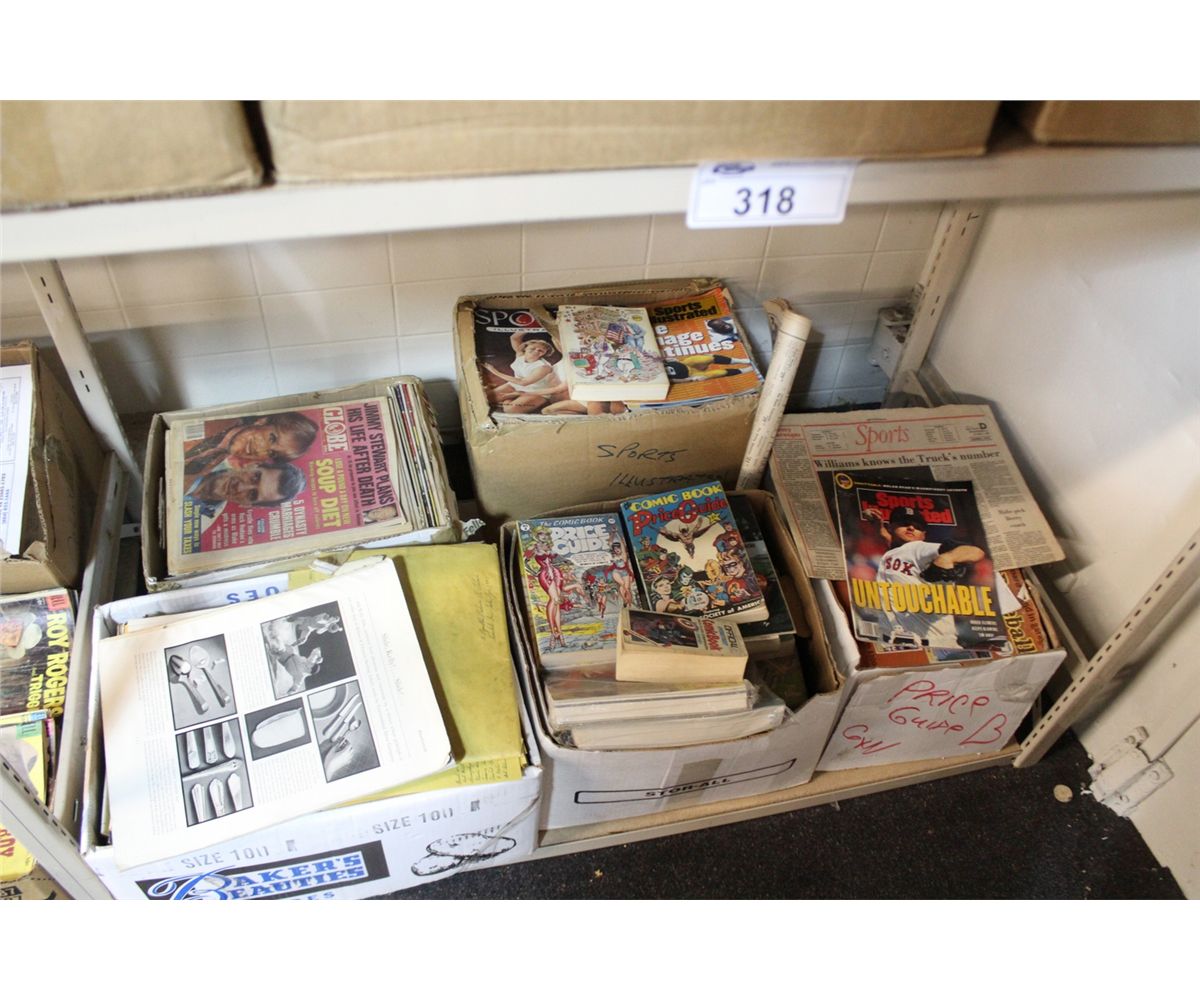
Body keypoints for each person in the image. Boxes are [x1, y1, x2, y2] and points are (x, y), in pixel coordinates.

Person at [866, 505, 987, 651]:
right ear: (891, 527)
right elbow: (892, 542)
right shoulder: (896, 550)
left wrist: (947, 557)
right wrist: (879, 527)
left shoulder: (920, 548)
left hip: (933, 644)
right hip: (901, 641)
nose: (911, 527)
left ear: (923, 535)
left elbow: (976, 552)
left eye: (917, 527)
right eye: (904, 523)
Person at [183, 411, 318, 476]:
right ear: (262, 421)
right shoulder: (213, 418)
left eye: (272, 453)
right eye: (272, 438)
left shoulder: (206, 468)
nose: (261, 449)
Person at [185, 463, 306, 514]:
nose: (240, 487)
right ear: (252, 464)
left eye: (252, 494)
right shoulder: (203, 459)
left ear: (247, 505)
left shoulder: (205, 521)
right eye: (255, 477)